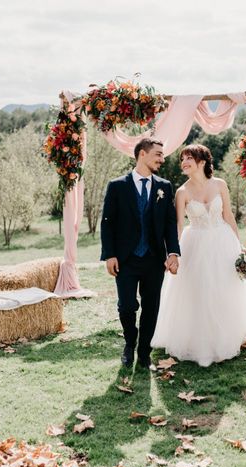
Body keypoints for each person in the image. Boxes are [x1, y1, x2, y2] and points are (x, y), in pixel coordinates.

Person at [151, 144, 246, 367]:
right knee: (199, 291)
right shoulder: (182, 192)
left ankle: (228, 334)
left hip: (223, 241)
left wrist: (240, 248)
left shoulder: (220, 185)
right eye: (182, 159)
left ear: (203, 161)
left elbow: (228, 215)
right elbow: (178, 225)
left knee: (225, 288)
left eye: (189, 158)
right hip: (194, 244)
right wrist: (172, 253)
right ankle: (201, 340)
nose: (184, 162)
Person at [100, 138, 180, 369]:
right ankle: (129, 342)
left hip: (154, 259)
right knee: (126, 306)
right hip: (125, 259)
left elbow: (169, 223)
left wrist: (173, 252)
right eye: (158, 154)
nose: (162, 159)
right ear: (142, 154)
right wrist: (109, 254)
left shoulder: (164, 186)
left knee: (151, 307)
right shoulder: (117, 186)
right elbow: (108, 223)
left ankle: (144, 351)